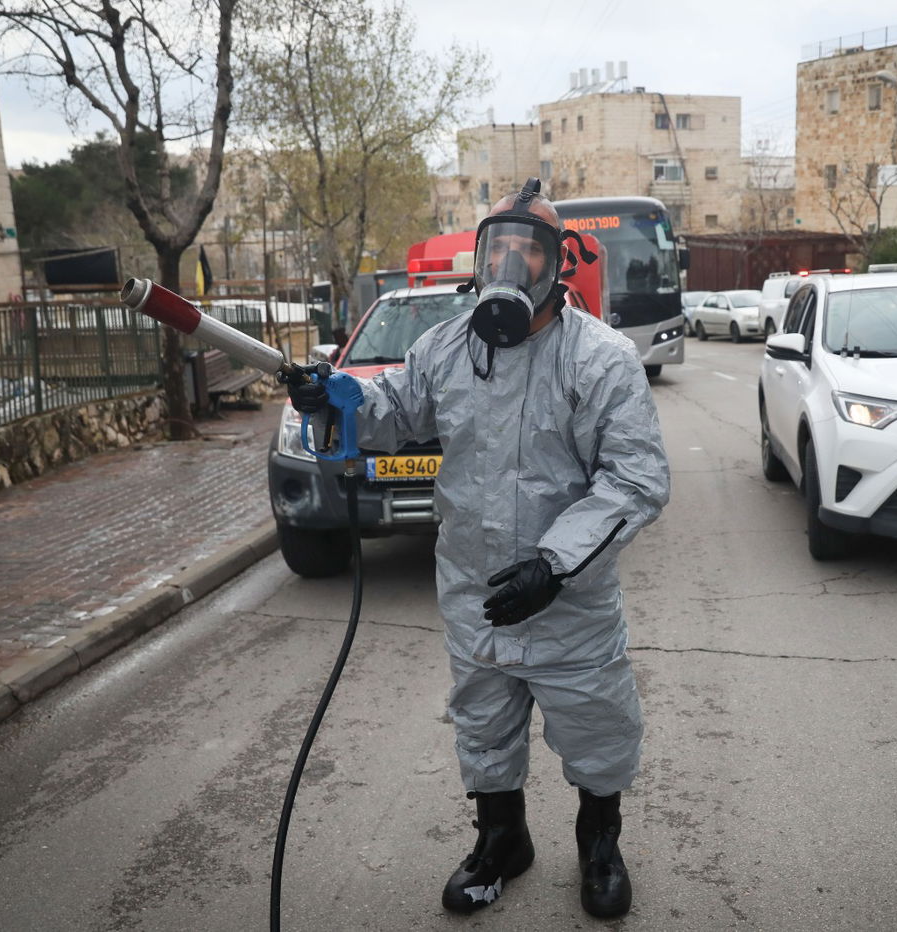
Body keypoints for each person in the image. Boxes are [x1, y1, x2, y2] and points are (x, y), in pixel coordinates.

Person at [283, 179, 669, 918]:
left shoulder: (601, 359)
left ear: (562, 264)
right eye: (502, 247)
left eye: (532, 248)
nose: (514, 262)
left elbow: (637, 479)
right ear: (481, 257)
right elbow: (391, 412)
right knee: (484, 726)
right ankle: (503, 841)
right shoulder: (445, 349)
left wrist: (555, 565)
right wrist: (336, 401)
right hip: (474, 594)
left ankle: (599, 844)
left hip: (570, 602)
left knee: (595, 724)